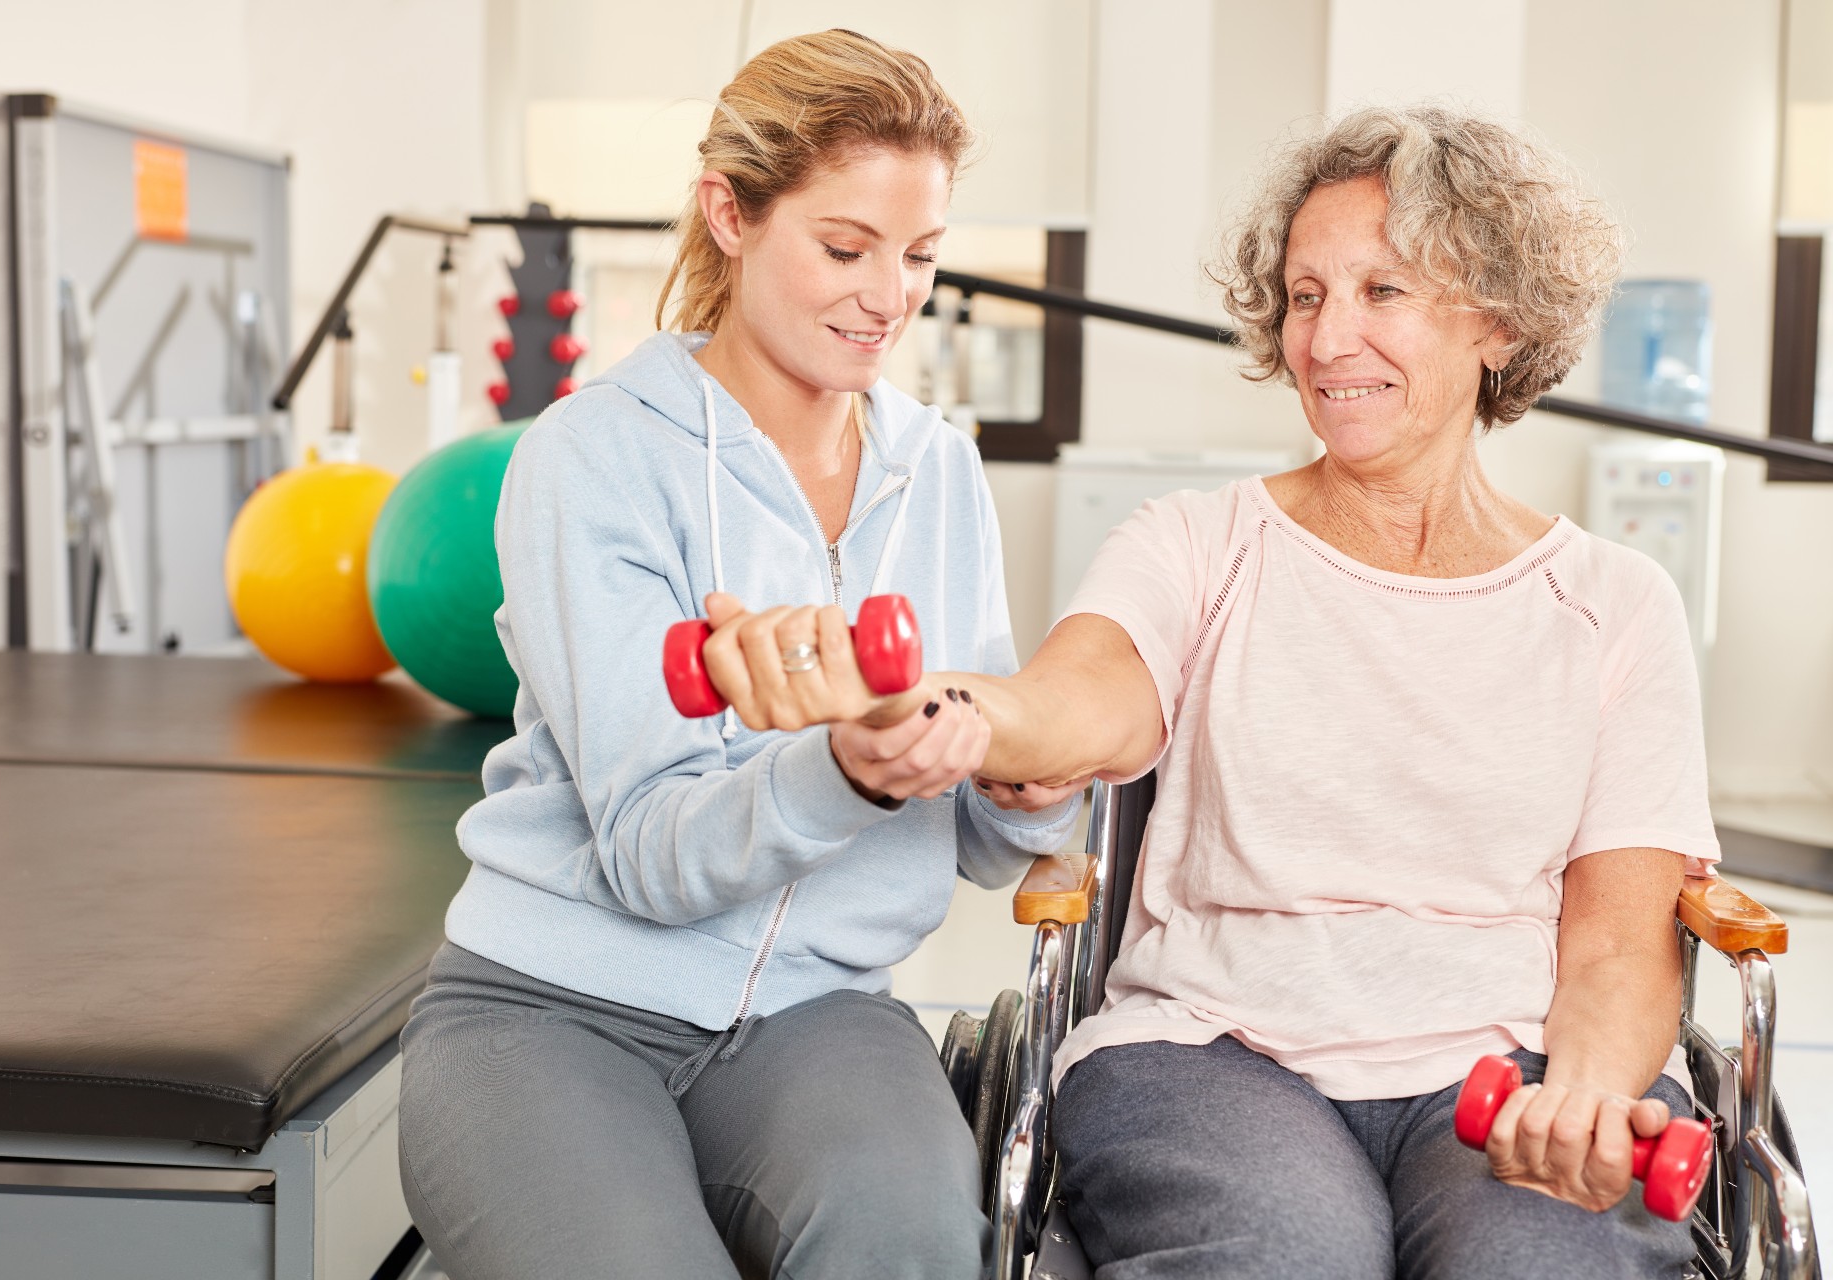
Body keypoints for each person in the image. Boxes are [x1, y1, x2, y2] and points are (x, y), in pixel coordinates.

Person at [701, 104, 1715, 1278]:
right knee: (1282, 1258)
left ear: (1496, 318)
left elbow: (1616, 945)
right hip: (1211, 1049)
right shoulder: (1198, 543)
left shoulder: (1615, 602)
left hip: (1510, 1062)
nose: (1328, 340)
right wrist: (919, 700)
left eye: (1382, 292)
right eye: (1303, 295)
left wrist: (1582, 1100)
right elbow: (1077, 703)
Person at [396, 29, 1079, 1280]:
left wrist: (1028, 780)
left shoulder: (941, 472)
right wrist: (850, 769)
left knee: (914, 1246)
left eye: (920, 255)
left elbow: (984, 846)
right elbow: (654, 854)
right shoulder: (592, 457)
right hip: (547, 1009)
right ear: (729, 213)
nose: (890, 296)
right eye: (845, 247)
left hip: (820, 1015)